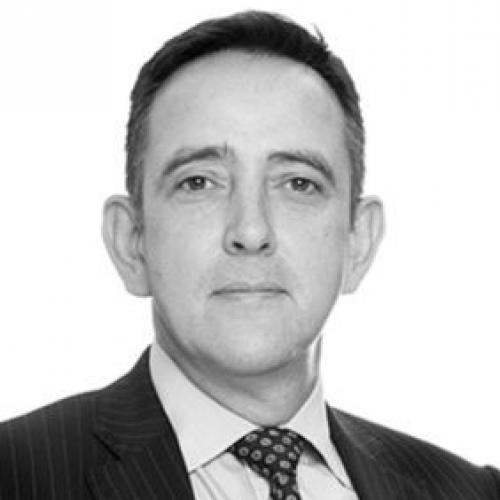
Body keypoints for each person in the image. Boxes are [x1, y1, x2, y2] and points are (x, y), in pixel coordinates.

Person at [0, 10, 498, 500]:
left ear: (359, 241)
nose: (251, 231)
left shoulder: (469, 491)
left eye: (298, 183)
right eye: (199, 182)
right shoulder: (17, 474)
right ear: (131, 241)